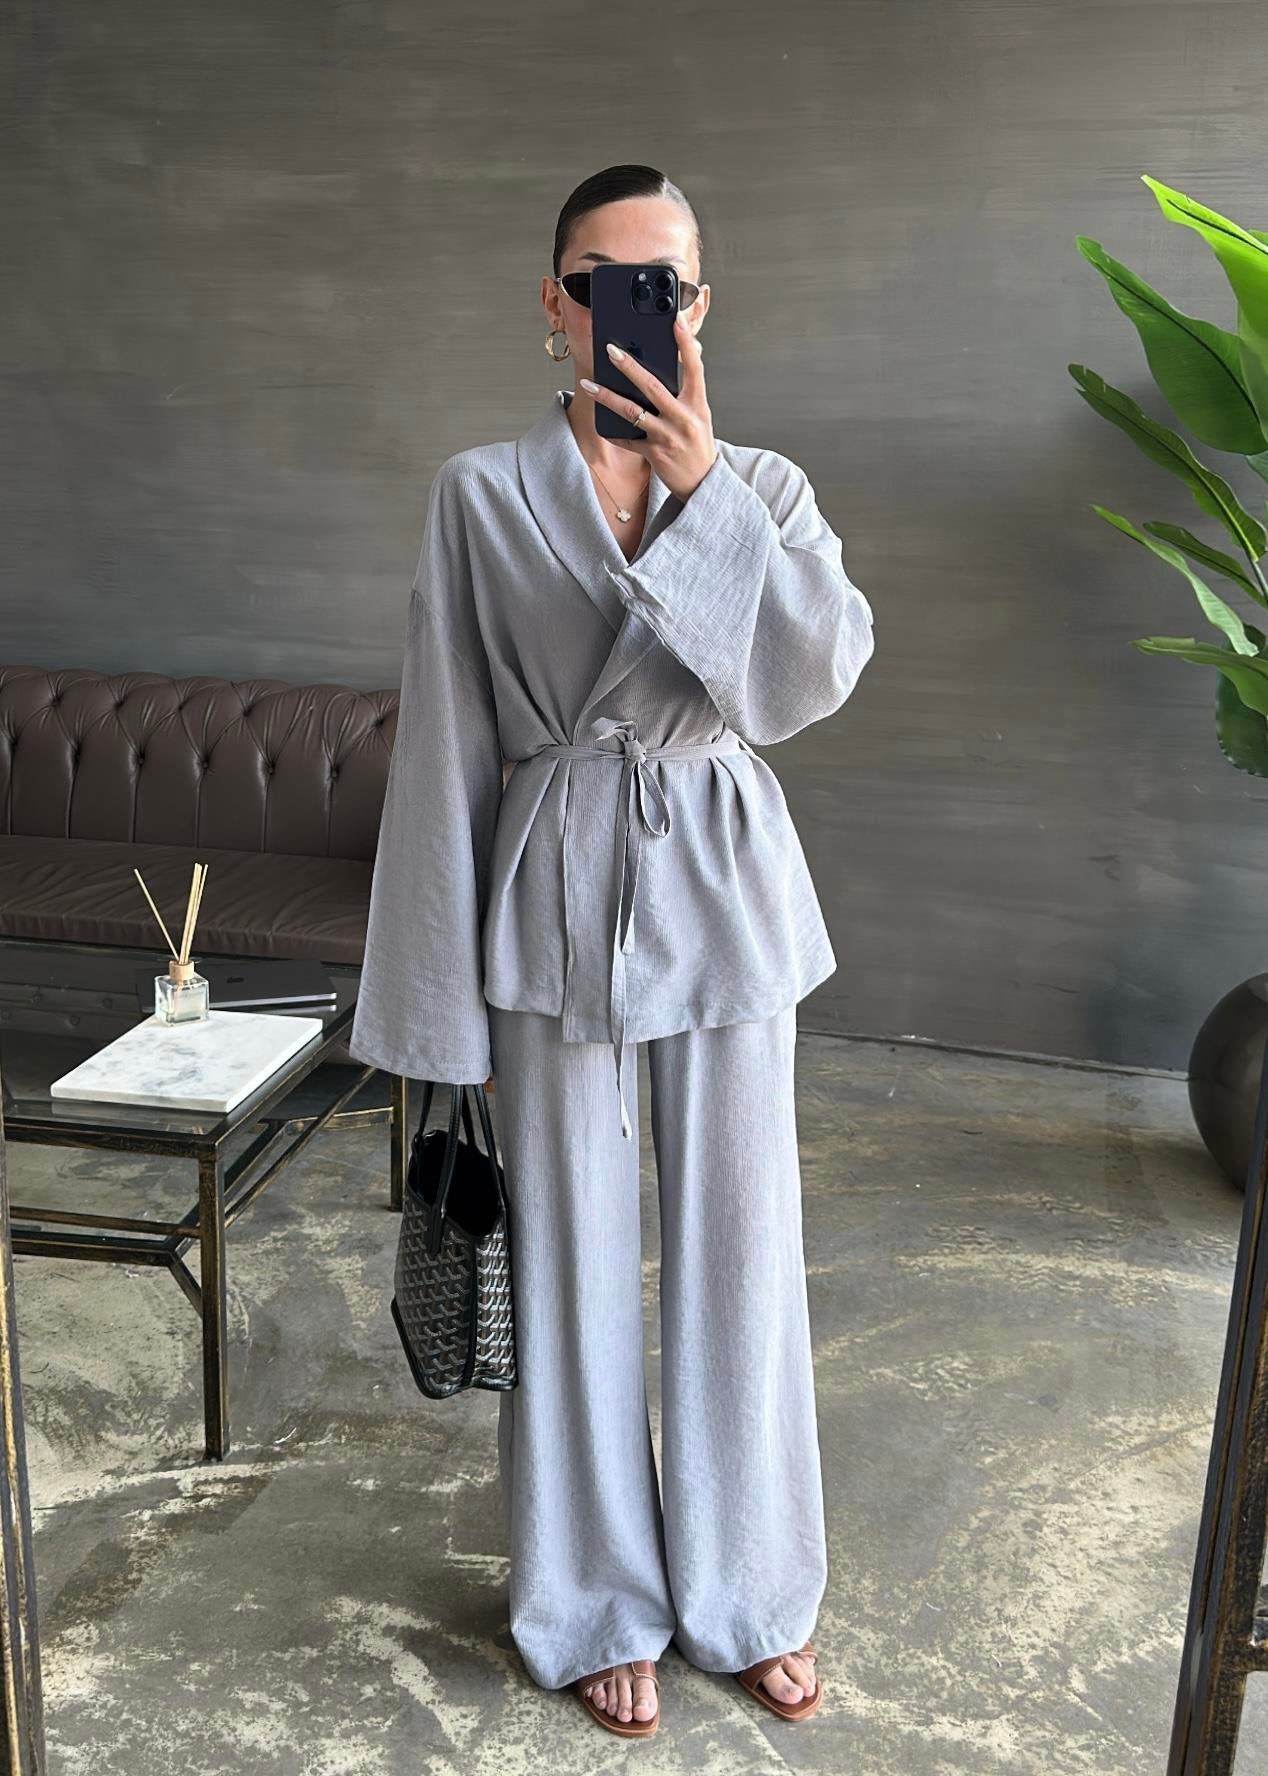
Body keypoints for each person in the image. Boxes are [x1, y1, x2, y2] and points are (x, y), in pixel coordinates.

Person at [348, 162, 875, 1737]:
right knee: (567, 1264)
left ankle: (751, 1589)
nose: (632, 308)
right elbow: (448, 741)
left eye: (663, 284)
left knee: (740, 1253)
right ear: (554, 300)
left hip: (721, 884)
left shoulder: (764, 486)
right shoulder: (479, 493)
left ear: (699, 307)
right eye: (601, 281)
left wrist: (710, 500)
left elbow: (808, 678)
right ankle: (589, 1601)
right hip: (554, 884)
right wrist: (433, 1011)